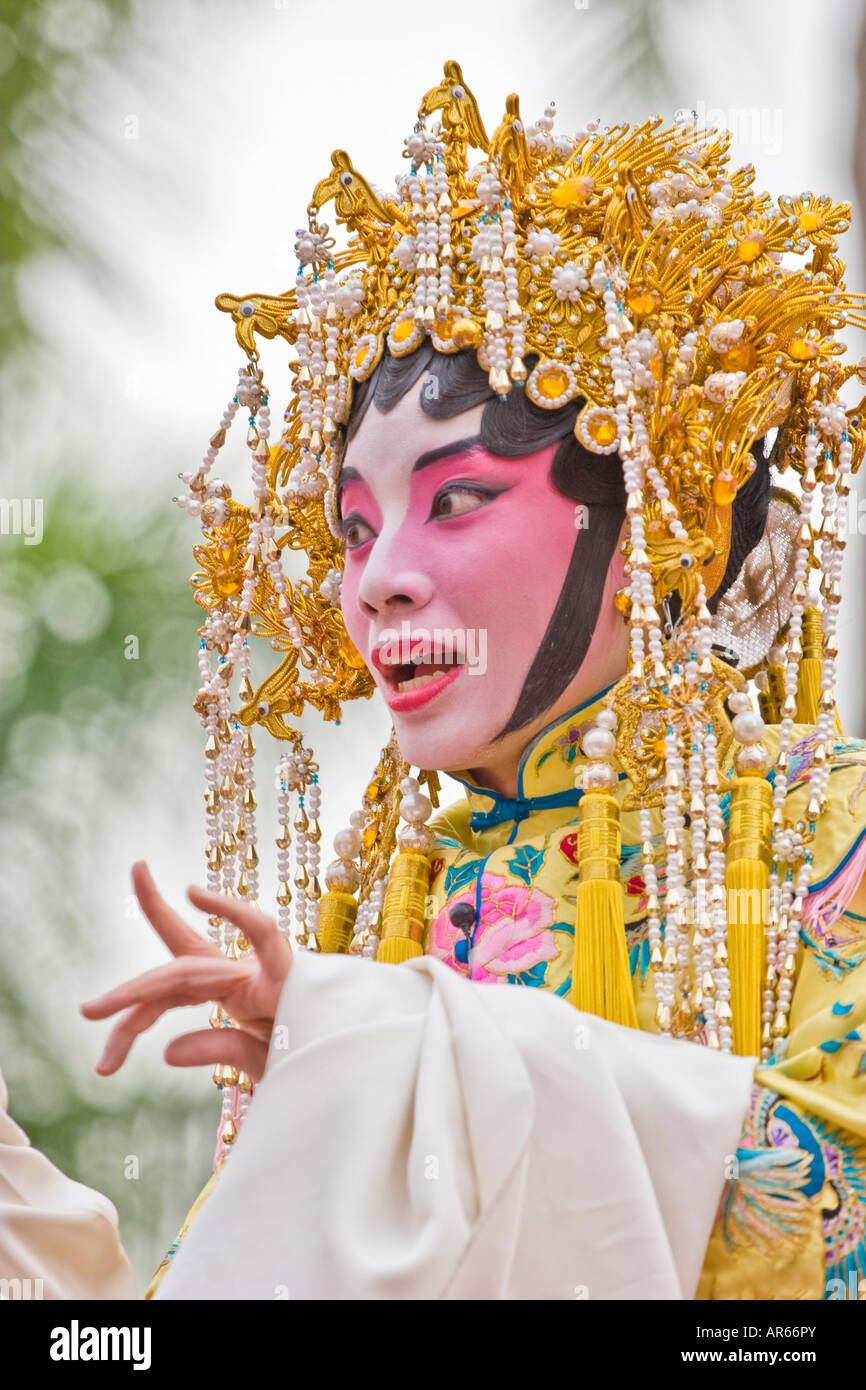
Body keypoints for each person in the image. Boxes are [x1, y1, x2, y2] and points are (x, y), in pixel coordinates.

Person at [4, 61, 866, 1301]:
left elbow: (828, 1234)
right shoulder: (390, 919)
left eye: (455, 501)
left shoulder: (817, 827)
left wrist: (395, 1053)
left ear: (645, 527)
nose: (377, 582)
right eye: (355, 530)